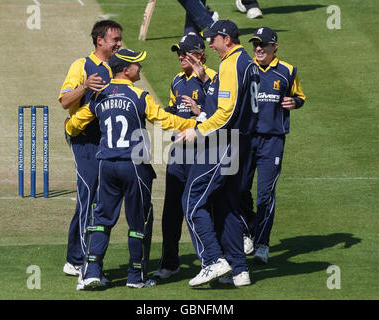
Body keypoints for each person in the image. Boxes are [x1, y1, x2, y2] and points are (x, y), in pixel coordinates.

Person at [64, 48, 199, 290]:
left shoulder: (98, 96)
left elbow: (75, 124)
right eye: (137, 64)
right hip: (134, 166)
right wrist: (196, 124)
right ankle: (135, 276)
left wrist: (70, 129)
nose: (140, 68)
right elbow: (165, 121)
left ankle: (92, 272)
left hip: (106, 165)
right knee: (139, 221)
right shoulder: (139, 96)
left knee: (102, 220)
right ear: (125, 70)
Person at [177, 20, 260, 287]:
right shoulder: (246, 62)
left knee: (191, 202)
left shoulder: (230, 64)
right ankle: (239, 269)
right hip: (241, 143)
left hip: (222, 143)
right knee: (226, 207)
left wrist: (198, 130)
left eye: (213, 39)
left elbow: (226, 112)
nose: (210, 44)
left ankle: (213, 260)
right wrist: (204, 79)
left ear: (227, 38)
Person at [58, 20, 122, 279]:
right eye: (115, 40)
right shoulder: (82, 66)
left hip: (107, 142)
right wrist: (84, 87)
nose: (119, 44)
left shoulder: (117, 66)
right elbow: (64, 101)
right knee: (89, 199)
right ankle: (84, 264)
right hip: (85, 141)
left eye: (119, 39)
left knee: (96, 200)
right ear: (100, 41)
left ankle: (75, 259)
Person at [153, 33, 217, 279]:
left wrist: (200, 111)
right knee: (171, 211)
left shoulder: (213, 78)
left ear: (199, 54)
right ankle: (170, 263)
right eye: (178, 52)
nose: (180, 56)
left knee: (202, 208)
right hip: (179, 153)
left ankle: (211, 261)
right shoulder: (177, 81)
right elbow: (173, 111)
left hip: (203, 153)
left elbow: (221, 114)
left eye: (185, 52)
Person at [247, 27, 306, 264]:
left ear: (275, 47)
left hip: (272, 142)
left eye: (263, 45)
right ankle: (247, 230)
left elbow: (299, 96)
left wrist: (296, 102)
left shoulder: (287, 71)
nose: (259, 48)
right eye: (255, 44)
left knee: (265, 195)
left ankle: (262, 243)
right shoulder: (245, 68)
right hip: (246, 140)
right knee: (238, 190)